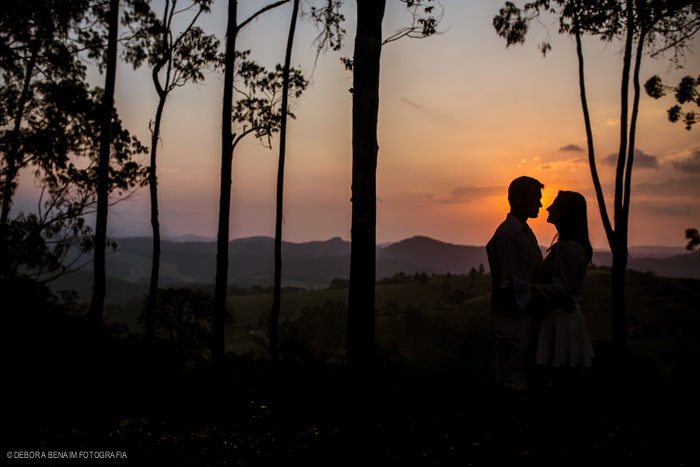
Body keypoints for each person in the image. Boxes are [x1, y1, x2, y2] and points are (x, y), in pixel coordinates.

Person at [520, 190, 595, 369]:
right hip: (563, 319)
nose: (548, 208)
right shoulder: (572, 246)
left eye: (554, 205)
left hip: (559, 321)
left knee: (556, 384)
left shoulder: (566, 247)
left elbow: (562, 288)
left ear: (565, 211)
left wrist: (527, 288)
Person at [486, 176, 544, 392]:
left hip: (525, 329)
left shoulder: (525, 232)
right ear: (517, 199)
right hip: (513, 331)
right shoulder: (508, 236)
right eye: (534, 198)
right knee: (513, 393)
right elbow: (506, 287)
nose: (539, 204)